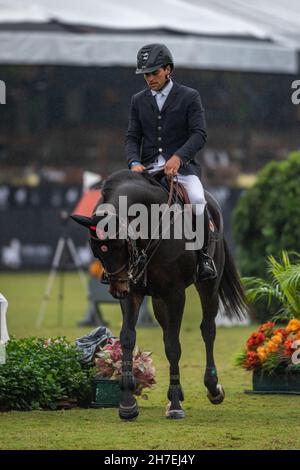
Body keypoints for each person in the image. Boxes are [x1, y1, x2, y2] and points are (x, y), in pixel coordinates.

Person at [125, 43, 216, 280]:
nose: (149, 78)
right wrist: (134, 161)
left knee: (197, 198)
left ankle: (203, 257)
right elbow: (132, 137)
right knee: (123, 204)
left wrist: (179, 157)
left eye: (154, 72)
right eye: (146, 74)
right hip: (147, 170)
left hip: (182, 168)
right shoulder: (138, 100)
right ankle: (122, 263)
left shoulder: (189, 96)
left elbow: (199, 134)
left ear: (168, 69)